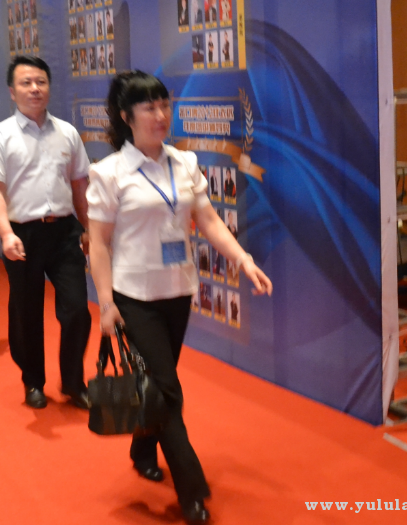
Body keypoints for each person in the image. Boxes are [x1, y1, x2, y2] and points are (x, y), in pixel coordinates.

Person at [87, 71, 272, 525]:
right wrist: (106, 304)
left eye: (164, 105)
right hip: (133, 296)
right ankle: (191, 490)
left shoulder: (185, 163)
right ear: (127, 117)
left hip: (178, 290)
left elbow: (207, 221)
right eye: (149, 107)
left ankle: (142, 447)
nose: (160, 115)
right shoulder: (109, 173)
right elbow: (99, 244)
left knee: (157, 383)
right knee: (169, 392)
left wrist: (242, 259)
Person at [0, 56, 92, 410]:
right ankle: (33, 382)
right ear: (12, 92)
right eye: (26, 83)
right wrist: (5, 234)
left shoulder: (67, 133)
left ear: (49, 87)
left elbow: (79, 185)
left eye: (40, 82)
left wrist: (88, 228)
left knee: (78, 310)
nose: (34, 89)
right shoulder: (0, 136)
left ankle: (73, 382)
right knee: (26, 312)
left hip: (64, 233)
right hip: (22, 235)